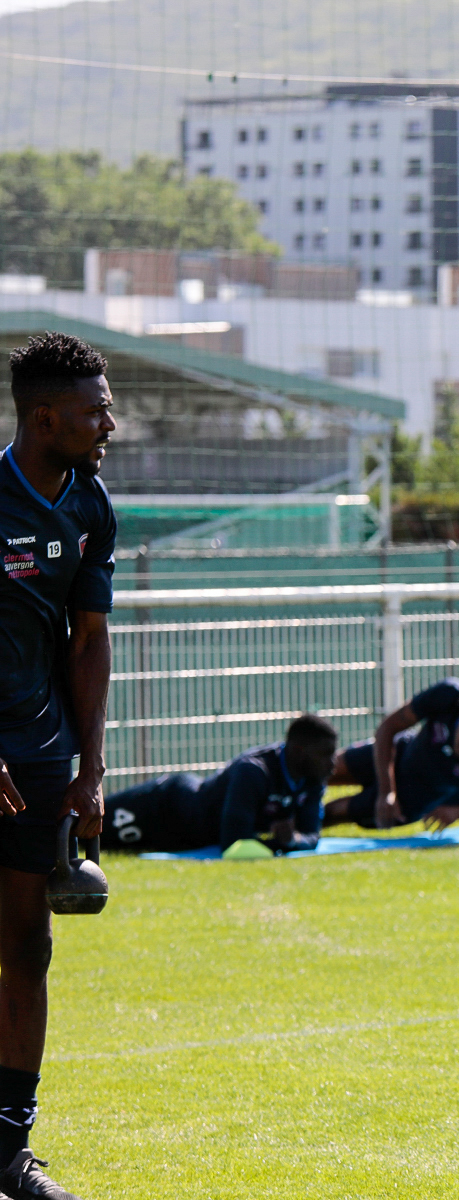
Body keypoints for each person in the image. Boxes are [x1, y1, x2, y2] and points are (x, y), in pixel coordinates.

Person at [0, 331, 117, 1200]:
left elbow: (88, 640)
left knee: (27, 949)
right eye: (94, 409)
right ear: (46, 418)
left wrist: (91, 769)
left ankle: (6, 1151)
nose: (109, 421)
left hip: (40, 758)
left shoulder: (92, 506)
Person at [102, 715, 340, 854]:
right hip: (167, 809)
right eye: (325, 754)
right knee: (84, 827)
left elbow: (311, 836)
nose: (333, 764)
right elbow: (234, 844)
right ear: (299, 752)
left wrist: (292, 840)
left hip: (188, 839)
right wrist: (280, 843)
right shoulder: (254, 771)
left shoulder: (313, 779)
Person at [322, 678, 459, 839]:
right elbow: (387, 728)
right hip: (400, 751)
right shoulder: (450, 695)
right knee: (322, 769)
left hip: (413, 796)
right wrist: (386, 792)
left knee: (330, 813)